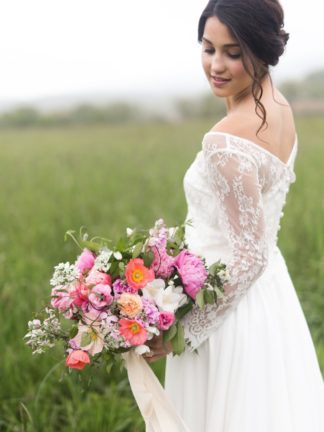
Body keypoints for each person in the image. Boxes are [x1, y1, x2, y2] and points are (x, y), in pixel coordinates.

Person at [144, 0, 324, 430]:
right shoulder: (280, 107)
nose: (216, 65)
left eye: (233, 52)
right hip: (271, 302)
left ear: (260, 50)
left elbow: (250, 256)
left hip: (226, 314)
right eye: (208, 48)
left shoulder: (224, 140)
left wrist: (183, 332)